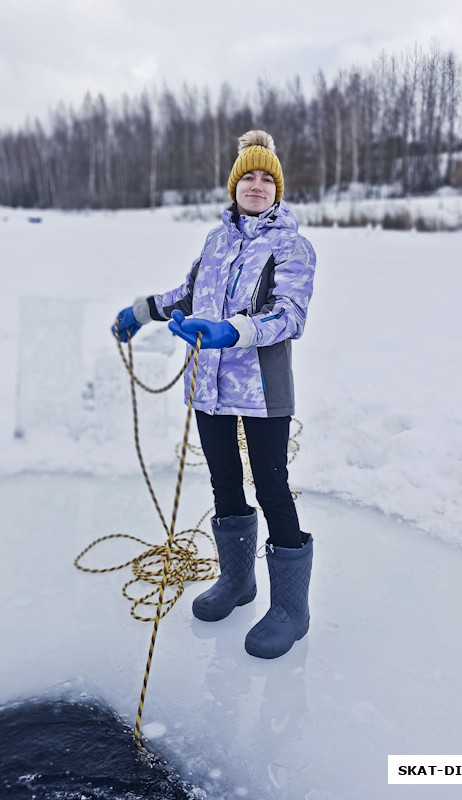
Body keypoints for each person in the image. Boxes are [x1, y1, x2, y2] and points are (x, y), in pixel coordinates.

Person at [112, 130, 316, 659]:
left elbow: (289, 315)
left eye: (266, 178)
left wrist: (235, 329)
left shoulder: (293, 246)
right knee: (224, 481)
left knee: (271, 486)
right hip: (208, 386)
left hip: (262, 390)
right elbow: (187, 294)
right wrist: (142, 312)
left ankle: (292, 609)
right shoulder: (216, 240)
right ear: (233, 186)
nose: (256, 185)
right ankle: (238, 582)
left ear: (277, 188)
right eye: (247, 176)